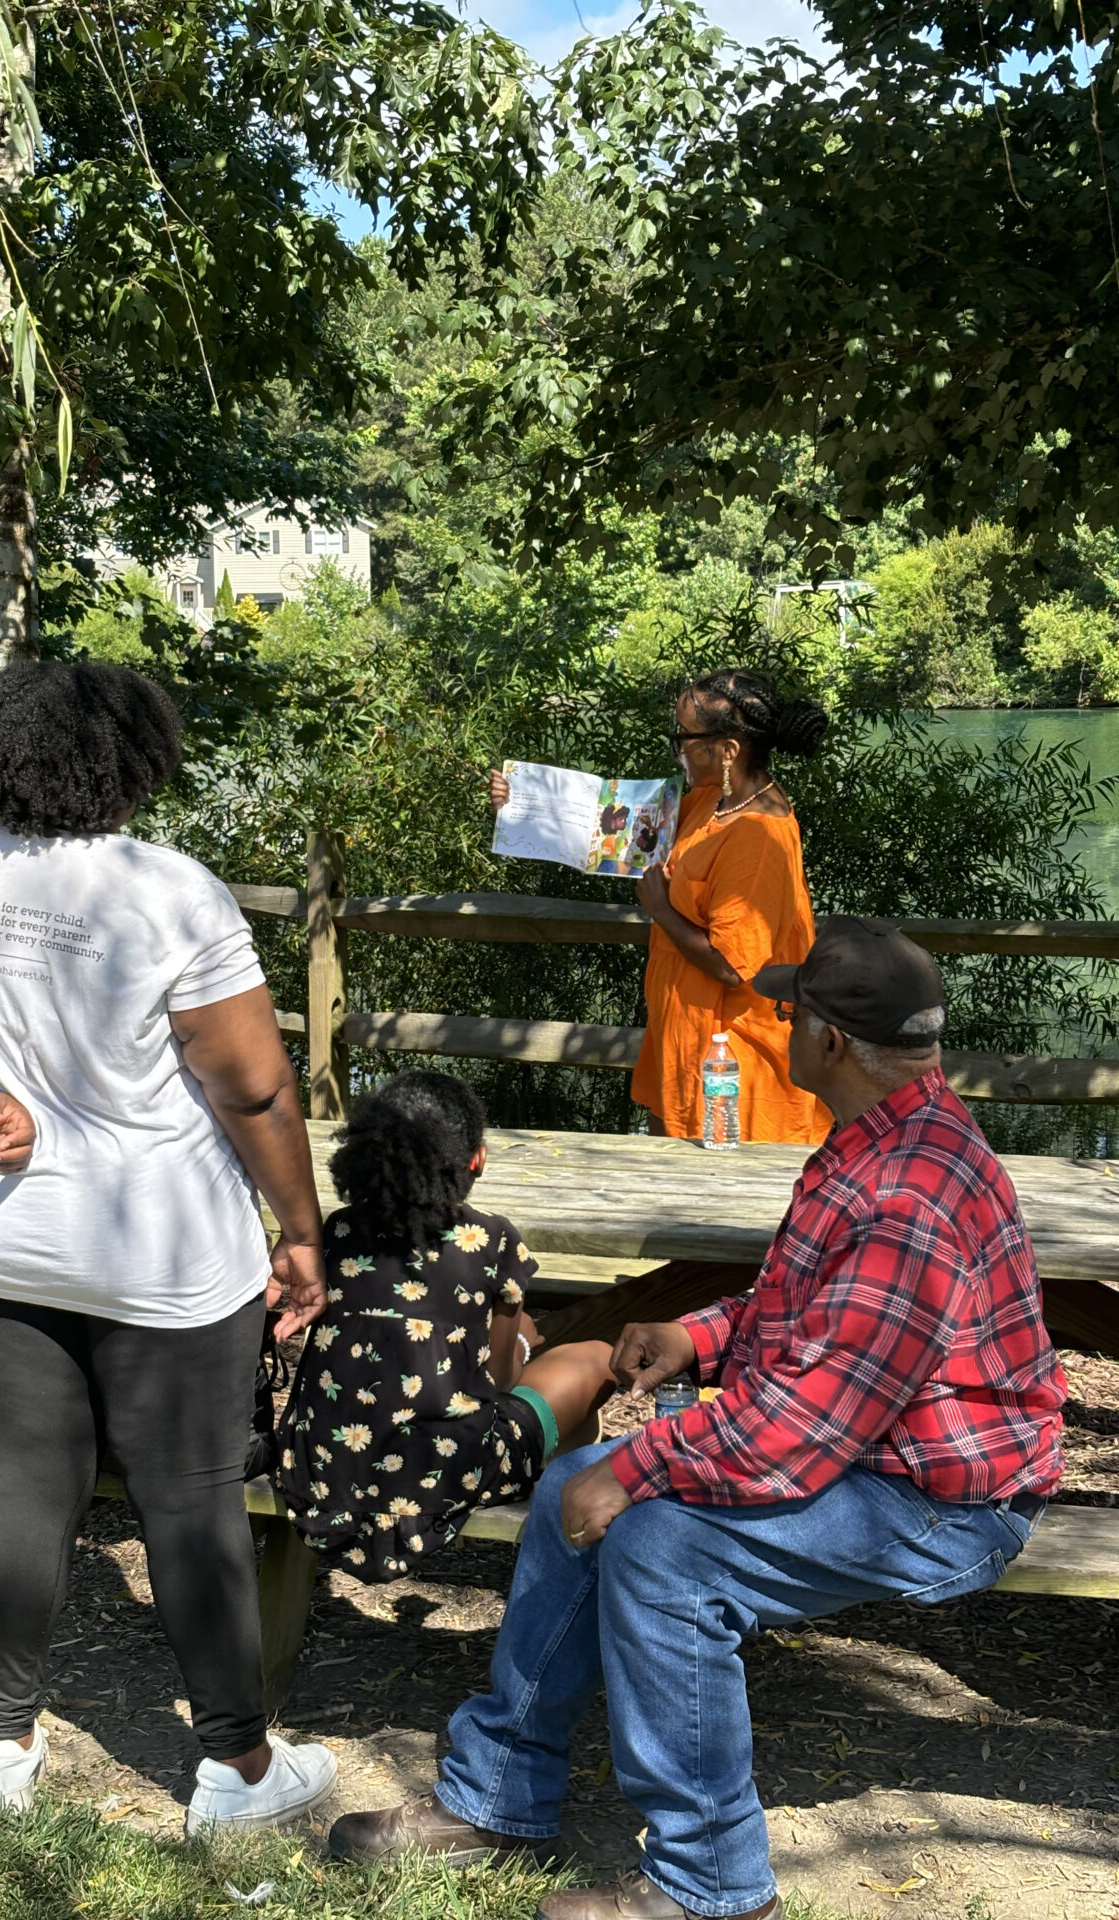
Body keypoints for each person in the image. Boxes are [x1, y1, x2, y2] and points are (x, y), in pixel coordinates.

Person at [327, 918, 1068, 1920]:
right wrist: (699, 1337)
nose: (778, 1024)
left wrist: (636, 1469)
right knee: (564, 1489)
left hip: (941, 1499)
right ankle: (496, 1802)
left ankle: (715, 1884)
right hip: (875, 1452)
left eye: (788, 1011)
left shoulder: (909, 1193)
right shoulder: (881, 1140)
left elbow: (804, 1428)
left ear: (831, 1042)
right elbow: (800, 1310)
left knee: (662, 1546)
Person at [0, 660, 336, 1834]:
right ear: (135, 758)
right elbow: (255, 1092)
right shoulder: (171, 892)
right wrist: (302, 1232)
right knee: (192, 1495)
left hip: (8, 1233)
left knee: (26, 1474)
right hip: (160, 1245)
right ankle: (237, 1771)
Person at [276, 1072, 615, 1582]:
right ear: (476, 1160)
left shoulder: (336, 1231)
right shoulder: (493, 1240)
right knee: (593, 1357)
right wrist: (520, 1337)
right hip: (440, 1481)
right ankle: (567, 1516)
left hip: (322, 1478)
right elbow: (501, 1381)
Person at [491, 670, 830, 1144]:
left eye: (685, 738)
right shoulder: (713, 800)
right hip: (686, 1041)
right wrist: (523, 803)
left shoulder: (759, 835)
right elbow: (607, 827)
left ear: (728, 750)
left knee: (721, 1205)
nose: (678, 750)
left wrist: (661, 910)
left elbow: (734, 967)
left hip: (733, 1065)